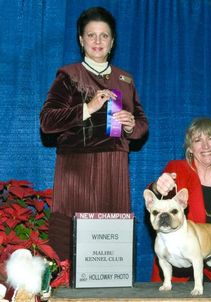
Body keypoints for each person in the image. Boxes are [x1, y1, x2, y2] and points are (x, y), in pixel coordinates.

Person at [40, 7, 148, 261]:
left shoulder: (125, 80)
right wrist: (87, 108)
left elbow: (143, 123)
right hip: (77, 167)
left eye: (104, 36)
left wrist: (132, 125)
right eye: (91, 35)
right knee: (74, 241)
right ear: (81, 40)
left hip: (114, 168)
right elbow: (46, 121)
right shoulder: (69, 75)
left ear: (112, 41)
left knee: (111, 242)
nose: (97, 41)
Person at [150, 117, 211, 282]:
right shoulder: (176, 169)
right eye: (197, 140)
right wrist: (157, 186)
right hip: (177, 275)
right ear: (190, 149)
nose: (205, 146)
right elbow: (156, 196)